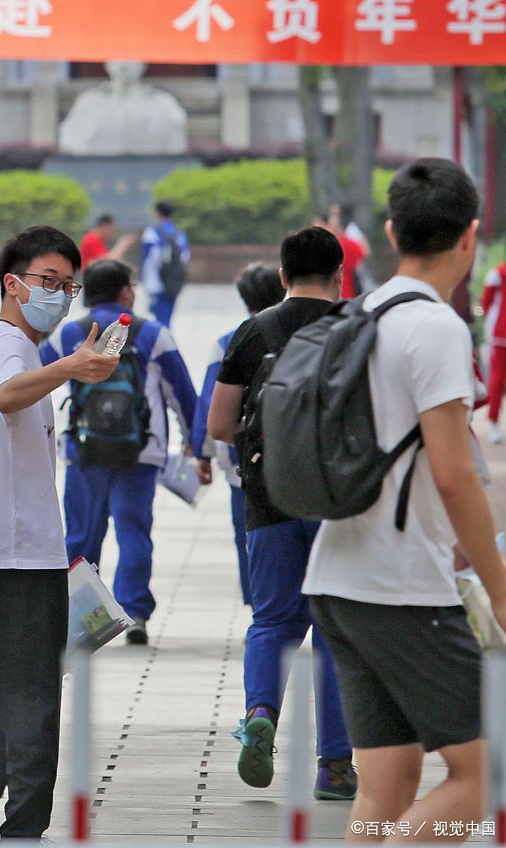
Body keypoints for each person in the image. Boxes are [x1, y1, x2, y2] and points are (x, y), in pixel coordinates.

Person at [304, 158, 506, 841]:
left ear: (391, 231)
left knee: (386, 786)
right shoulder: (437, 329)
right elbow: (454, 476)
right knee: (483, 782)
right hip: (402, 590)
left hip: (335, 577)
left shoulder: (358, 313)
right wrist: (501, 593)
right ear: (469, 235)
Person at [0, 225, 119, 841]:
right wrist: (72, 365)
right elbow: (5, 394)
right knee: (37, 694)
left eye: (68, 286)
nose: (60, 295)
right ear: (13, 283)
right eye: (49, 282)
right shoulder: (10, 345)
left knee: (17, 682)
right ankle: (24, 826)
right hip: (15, 553)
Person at [208, 226, 356, 800]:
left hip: (268, 499)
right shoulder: (357, 330)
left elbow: (220, 426)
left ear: (282, 275)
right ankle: (336, 767)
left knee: (272, 622)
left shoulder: (255, 330)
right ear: (340, 274)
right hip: (339, 505)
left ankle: (261, 713)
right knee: (335, 633)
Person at [41, 257, 202, 645]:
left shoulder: (70, 334)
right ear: (127, 291)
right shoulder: (152, 334)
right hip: (140, 451)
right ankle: (134, 614)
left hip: (85, 450)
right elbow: (183, 397)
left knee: (81, 536)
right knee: (134, 533)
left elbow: (35, 383)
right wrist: (197, 448)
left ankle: (81, 619)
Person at [191, 263, 285, 609]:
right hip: (299, 455)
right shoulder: (307, 330)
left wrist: (202, 454)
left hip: (242, 462)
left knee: (247, 536)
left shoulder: (230, 339)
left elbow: (209, 403)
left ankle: (258, 604)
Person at [141, 200, 189, 328]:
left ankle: (163, 342)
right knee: (168, 316)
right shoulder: (179, 232)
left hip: (157, 280)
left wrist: (147, 281)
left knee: (160, 317)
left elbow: (148, 260)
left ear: (157, 213)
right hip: (174, 280)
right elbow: (185, 256)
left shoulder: (152, 232)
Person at [481, 256, 506, 443]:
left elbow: (485, 304)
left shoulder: (497, 274)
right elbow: (486, 304)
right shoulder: (497, 274)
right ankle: (493, 423)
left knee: (496, 380)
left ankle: (494, 423)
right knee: (497, 381)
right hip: (500, 336)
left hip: (500, 334)